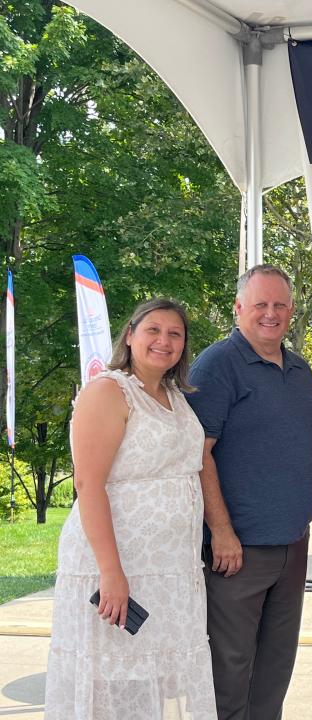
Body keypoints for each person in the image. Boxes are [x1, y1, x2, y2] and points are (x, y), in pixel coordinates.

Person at [45, 298, 216, 719]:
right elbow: (89, 484)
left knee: (150, 681)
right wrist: (111, 572)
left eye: (175, 334)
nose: (164, 340)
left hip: (168, 570)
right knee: (113, 684)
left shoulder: (173, 394)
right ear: (130, 335)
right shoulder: (108, 391)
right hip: (121, 565)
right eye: (153, 330)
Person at [185, 264, 312, 720]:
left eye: (280, 304)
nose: (271, 313)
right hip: (239, 550)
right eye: (261, 304)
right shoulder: (218, 365)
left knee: (275, 669)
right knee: (230, 672)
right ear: (239, 308)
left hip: (293, 542)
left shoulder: (299, 366)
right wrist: (221, 531)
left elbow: (300, 431)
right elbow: (199, 454)